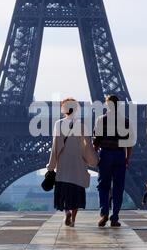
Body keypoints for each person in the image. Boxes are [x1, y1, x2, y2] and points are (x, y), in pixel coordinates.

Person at [47, 98, 99, 227]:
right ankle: (73, 221)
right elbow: (87, 146)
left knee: (64, 192)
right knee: (76, 192)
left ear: (63, 109)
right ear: (76, 110)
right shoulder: (82, 125)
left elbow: (55, 146)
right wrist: (93, 160)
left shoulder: (58, 124)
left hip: (63, 163)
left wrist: (51, 165)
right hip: (78, 162)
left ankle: (66, 212)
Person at [93, 95, 135, 227]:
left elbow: (96, 142)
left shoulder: (101, 120)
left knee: (103, 186)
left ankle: (104, 213)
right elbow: (130, 142)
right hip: (119, 155)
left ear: (107, 105)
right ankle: (115, 218)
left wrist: (95, 154)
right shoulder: (126, 121)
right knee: (118, 187)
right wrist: (127, 159)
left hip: (105, 154)